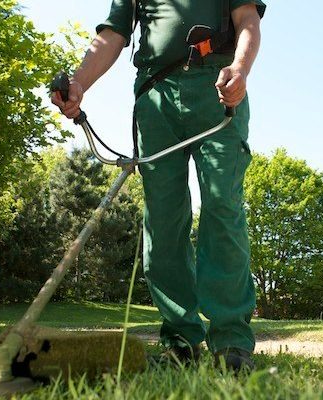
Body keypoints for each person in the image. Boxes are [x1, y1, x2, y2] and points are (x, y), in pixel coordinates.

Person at [52, 0, 265, 371]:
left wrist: (241, 69)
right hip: (156, 95)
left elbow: (247, 20)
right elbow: (113, 34)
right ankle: (181, 341)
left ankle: (231, 342)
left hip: (216, 86)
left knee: (222, 206)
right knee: (163, 221)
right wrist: (78, 83)